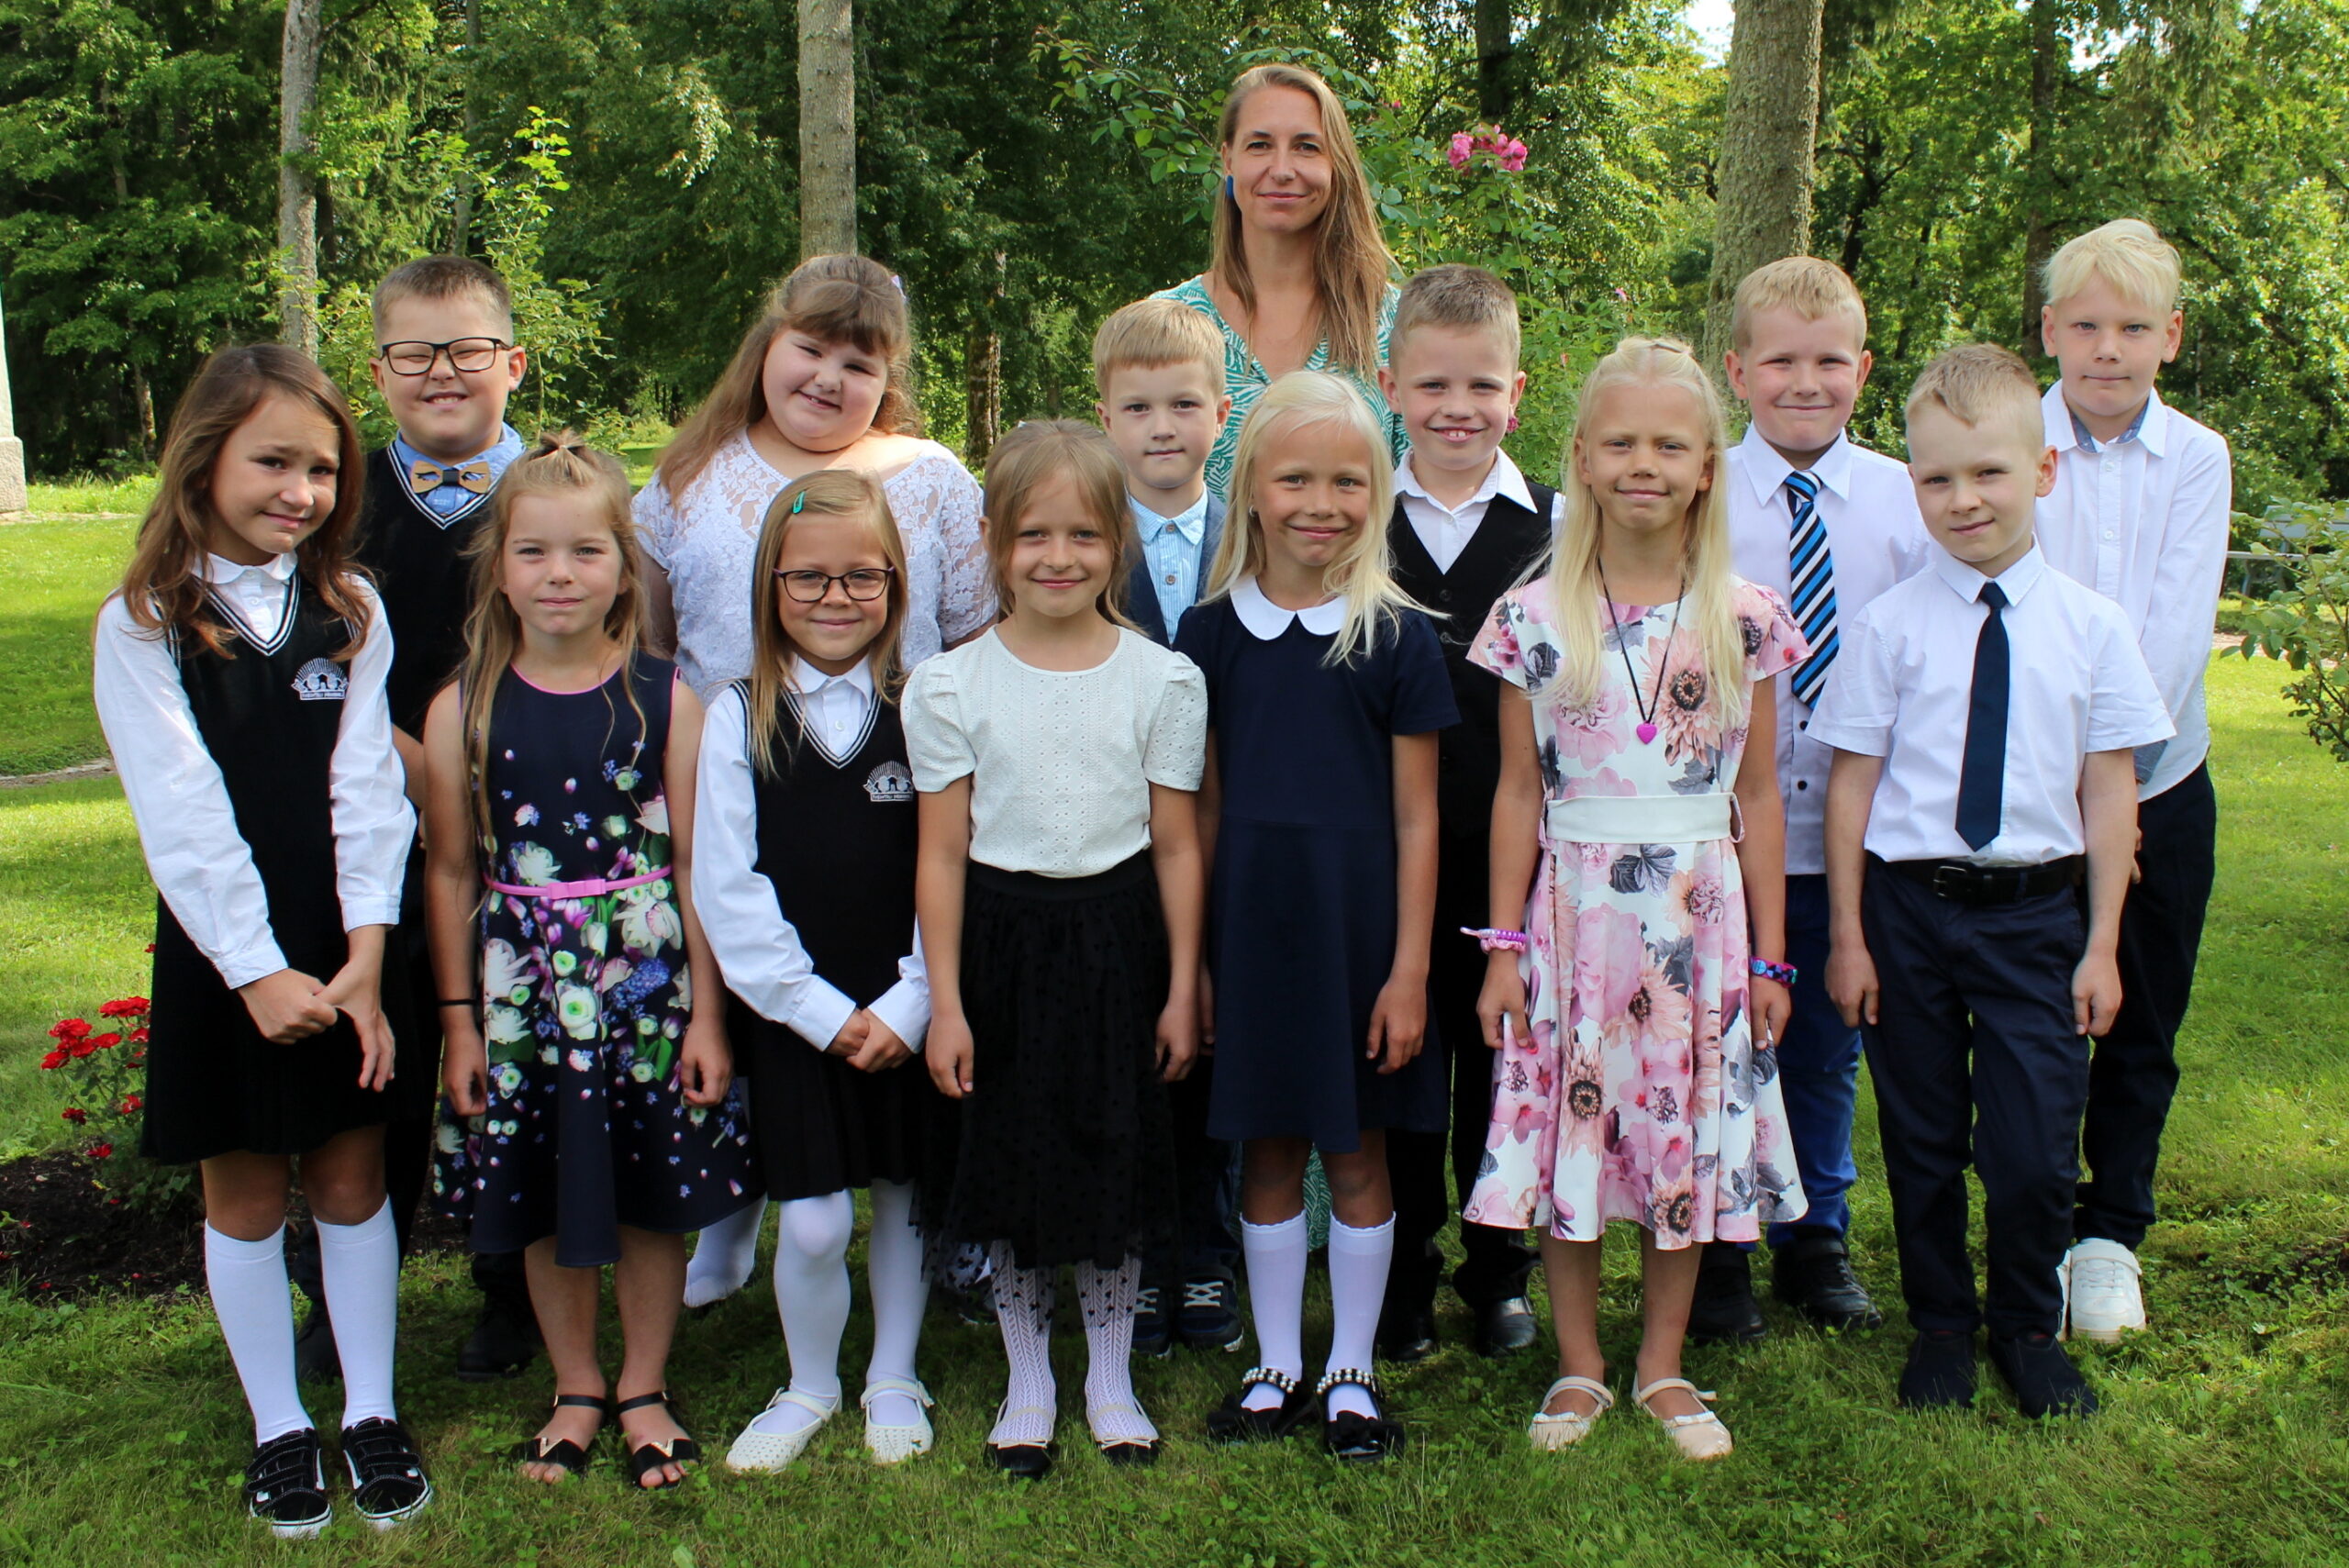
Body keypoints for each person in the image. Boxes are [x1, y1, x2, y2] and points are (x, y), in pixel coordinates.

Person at [93, 345, 429, 1535]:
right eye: (272, 462)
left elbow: (370, 790)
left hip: (345, 942)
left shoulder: (352, 610)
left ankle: (372, 1408)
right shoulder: (146, 622)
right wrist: (255, 969)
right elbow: (181, 810)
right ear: (203, 461)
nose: (301, 490)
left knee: (351, 1173)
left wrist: (368, 957)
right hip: (225, 952)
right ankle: (281, 1424)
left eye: (322, 469)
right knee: (241, 1188)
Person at [1466, 337, 1809, 1462]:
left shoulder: (1745, 616)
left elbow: (1758, 795)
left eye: (1669, 444)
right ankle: (1578, 1362)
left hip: (1698, 924)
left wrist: (1770, 959)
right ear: (1580, 456)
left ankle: (1661, 1361)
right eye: (1618, 442)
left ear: (1707, 466)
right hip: (1574, 915)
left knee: (1681, 1128)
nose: (1642, 464)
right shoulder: (1533, 616)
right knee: (1572, 1128)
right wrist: (1503, 945)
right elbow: (1517, 791)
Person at [1815, 344, 2171, 1418]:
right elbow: (1850, 787)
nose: (1962, 499)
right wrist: (1848, 937)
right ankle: (1940, 1325)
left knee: (2031, 1147)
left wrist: (2101, 941)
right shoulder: (1886, 626)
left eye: (1987, 473)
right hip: (1909, 912)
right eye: (1936, 478)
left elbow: (2109, 789)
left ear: (2042, 471)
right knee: (1921, 1135)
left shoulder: (2091, 628)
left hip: (2036, 917)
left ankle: (2025, 1324)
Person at [633, 252, 993, 1310]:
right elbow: (653, 632)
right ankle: (735, 1209)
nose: (829, 378)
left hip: (893, 770)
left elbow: (973, 633)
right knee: (749, 983)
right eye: (811, 349)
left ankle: (935, 1228)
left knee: (882, 969)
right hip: (739, 763)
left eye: (859, 362)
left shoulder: (931, 476)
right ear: (768, 344)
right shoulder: (693, 472)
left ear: (889, 377)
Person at [422, 435, 753, 1489]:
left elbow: (696, 864)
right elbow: (450, 870)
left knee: (650, 1189)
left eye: (585, 551)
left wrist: (708, 1017)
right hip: (522, 992)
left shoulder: (665, 698)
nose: (558, 574)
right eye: (532, 551)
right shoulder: (463, 705)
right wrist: (460, 1022)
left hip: (646, 986)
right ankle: (575, 1383)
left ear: (624, 567)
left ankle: (643, 1383)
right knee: (539, 1187)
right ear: (498, 567)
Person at [905, 419, 1208, 1477]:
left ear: (1117, 541)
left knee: (1110, 1152)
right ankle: (1028, 1378)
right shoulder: (949, 684)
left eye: (1083, 533)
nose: (1058, 556)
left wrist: (1183, 984)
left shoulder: (1163, 679)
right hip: (1002, 944)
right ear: (994, 541)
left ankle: (1110, 1376)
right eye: (1034, 533)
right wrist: (946, 1001)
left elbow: (1177, 843)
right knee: (1015, 1156)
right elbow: (940, 853)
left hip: (1119, 940)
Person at [1178, 372, 1453, 1462]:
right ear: (1249, 486)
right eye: (1295, 478)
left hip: (1359, 941)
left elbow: (1420, 820)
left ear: (1377, 493)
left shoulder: (1398, 637)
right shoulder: (1207, 634)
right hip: (1251, 934)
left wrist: (1408, 970)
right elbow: (1197, 810)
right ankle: (1276, 1362)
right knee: (1267, 1148)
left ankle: (1350, 1366)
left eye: (1348, 481)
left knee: (1356, 1151)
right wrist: (1196, 965)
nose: (1321, 503)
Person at [302, 254, 540, 1388]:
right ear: (379, 369)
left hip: (537, 823)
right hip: (379, 820)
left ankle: (512, 1281)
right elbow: (319, 667)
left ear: (513, 362)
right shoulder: (337, 506)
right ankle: (351, 1288)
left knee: (516, 1047)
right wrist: (428, 776)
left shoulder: (555, 497)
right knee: (383, 1055)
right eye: (414, 352)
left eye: (467, 349)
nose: (442, 371)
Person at [694, 470, 946, 1470]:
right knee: (810, 1222)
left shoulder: (925, 705)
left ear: (896, 584)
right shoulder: (738, 713)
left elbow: (954, 864)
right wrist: (817, 1011)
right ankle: (809, 1382)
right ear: (770, 584)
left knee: (903, 1196)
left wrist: (912, 1002)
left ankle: (894, 1371)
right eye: (808, 578)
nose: (835, 598)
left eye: (861, 576)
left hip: (906, 1006)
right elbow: (727, 883)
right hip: (796, 1015)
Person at [1700, 255, 1930, 1343]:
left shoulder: (1903, 502)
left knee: (1828, 1039)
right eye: (1780, 360)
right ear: (1736, 368)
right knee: (1717, 1033)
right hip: (1721, 827)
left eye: (1829, 360)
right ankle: (1722, 1236)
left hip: (1848, 832)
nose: (1805, 381)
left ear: (1863, 369)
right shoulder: (1699, 492)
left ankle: (1816, 1233)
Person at [2033, 219, 2232, 1342]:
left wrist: (2112, 785)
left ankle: (2109, 1233)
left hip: (2160, 779)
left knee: (2141, 1011)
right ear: (2050, 330)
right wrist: (2053, 782)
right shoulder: (2018, 440)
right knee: (2038, 1015)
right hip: (2030, 790)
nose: (2107, 348)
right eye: (2087, 325)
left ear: (2171, 337)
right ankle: (2033, 1223)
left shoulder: (2195, 458)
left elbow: (2171, 634)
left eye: (2133, 327)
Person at [1373, 264, 1553, 1363]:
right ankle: (1399, 1267)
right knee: (1397, 1063)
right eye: (1432, 383)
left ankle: (1497, 1269)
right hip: (1384, 850)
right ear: (1390, 384)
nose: (1456, 406)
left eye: (1481, 385)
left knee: (1501, 1065)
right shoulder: (1355, 518)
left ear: (1516, 394)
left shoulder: (1557, 528)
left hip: (1512, 850)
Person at [1090, 296, 1242, 1354]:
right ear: (1105, 415)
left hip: (1231, 830)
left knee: (1214, 1042)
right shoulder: (1084, 543)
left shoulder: (1254, 534)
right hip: (1112, 838)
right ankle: (1137, 1254)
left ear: (1220, 414)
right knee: (1129, 1046)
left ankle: (1206, 1249)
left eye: (1183, 404)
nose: (1161, 427)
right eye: (1138, 406)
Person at [1156, 61, 1405, 500]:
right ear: (1228, 159)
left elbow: (1430, 496)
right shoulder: (1167, 324)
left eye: (1307, 147)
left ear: (1336, 163)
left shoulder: (1395, 323)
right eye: (1260, 145)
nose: (1283, 169)